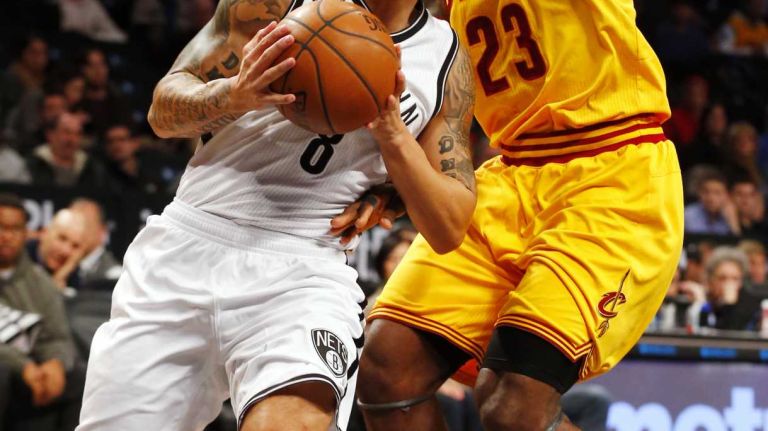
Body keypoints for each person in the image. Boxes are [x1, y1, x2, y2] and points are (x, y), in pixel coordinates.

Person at [77, 1, 476, 431]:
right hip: (190, 242)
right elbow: (162, 113)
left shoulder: (446, 59)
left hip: (304, 270)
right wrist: (233, 95)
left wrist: (394, 137)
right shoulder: (277, 5)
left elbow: (449, 226)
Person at [355, 1, 684, 430]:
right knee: (387, 369)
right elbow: (440, 72)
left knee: (514, 408)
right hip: (511, 172)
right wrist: (405, 179)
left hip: (612, 169)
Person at [0, 193, 83, 431]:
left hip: (29, 376)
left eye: (14, 229)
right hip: (11, 370)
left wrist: (55, 363)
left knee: (78, 375)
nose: (6, 236)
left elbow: (57, 336)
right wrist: (23, 366)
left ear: (26, 234)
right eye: (0, 227)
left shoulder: (40, 283)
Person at [25, 112, 112, 189]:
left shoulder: (92, 168)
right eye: (66, 132)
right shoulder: (32, 164)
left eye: (77, 134)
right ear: (50, 135)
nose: (72, 139)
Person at [28, 207, 88, 291]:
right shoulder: (20, 255)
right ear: (45, 233)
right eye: (62, 238)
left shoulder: (73, 273)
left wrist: (62, 275)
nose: (65, 251)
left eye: (75, 246)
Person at [68, 199, 121, 287]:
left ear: (102, 231)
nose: (75, 231)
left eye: (84, 225)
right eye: (70, 225)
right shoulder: (58, 269)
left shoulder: (114, 275)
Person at [684, 171, 738, 235]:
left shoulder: (733, 213)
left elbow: (740, 242)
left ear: (727, 195)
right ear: (699, 193)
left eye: (717, 193)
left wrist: (733, 223)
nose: (710, 198)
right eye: (706, 192)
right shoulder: (688, 214)